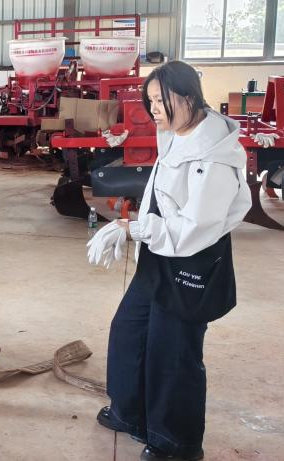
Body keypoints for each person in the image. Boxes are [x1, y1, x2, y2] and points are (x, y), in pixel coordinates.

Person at [98, 60, 251, 461]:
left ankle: (176, 443)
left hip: (190, 260)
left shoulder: (214, 157)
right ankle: (130, 412)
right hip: (159, 252)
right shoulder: (177, 132)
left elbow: (194, 229)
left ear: (188, 97)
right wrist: (134, 227)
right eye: (149, 101)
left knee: (174, 352)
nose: (154, 110)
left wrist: (135, 229)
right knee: (129, 330)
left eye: (160, 101)